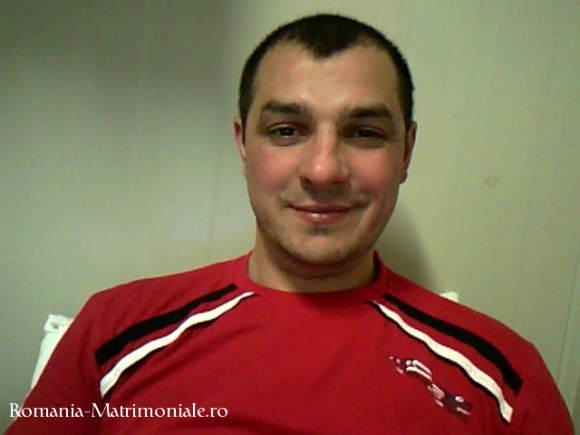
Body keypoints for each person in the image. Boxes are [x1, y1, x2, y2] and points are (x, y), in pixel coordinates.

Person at [6, 13, 573, 435]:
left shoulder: (504, 379)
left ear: (406, 152)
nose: (323, 170)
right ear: (243, 145)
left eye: (365, 133)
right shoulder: (112, 333)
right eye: (286, 130)